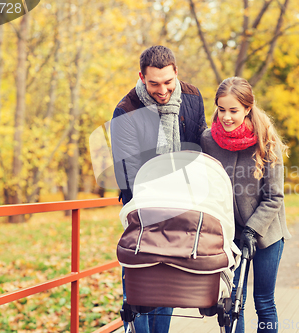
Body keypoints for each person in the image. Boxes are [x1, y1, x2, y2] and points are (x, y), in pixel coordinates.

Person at [110, 45, 206, 333]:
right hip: (142, 207)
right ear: (141, 77)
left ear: (176, 71)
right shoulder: (125, 111)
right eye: (153, 83)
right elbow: (127, 175)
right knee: (140, 287)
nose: (162, 90)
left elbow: (197, 150)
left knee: (167, 283)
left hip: (181, 205)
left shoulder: (192, 96)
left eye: (168, 81)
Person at [200, 77, 291, 333]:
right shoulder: (208, 140)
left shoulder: (266, 141)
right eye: (221, 109)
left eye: (233, 110)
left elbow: (275, 197)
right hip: (229, 235)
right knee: (230, 305)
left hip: (267, 233)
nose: (226, 117)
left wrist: (252, 230)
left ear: (247, 109)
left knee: (263, 302)